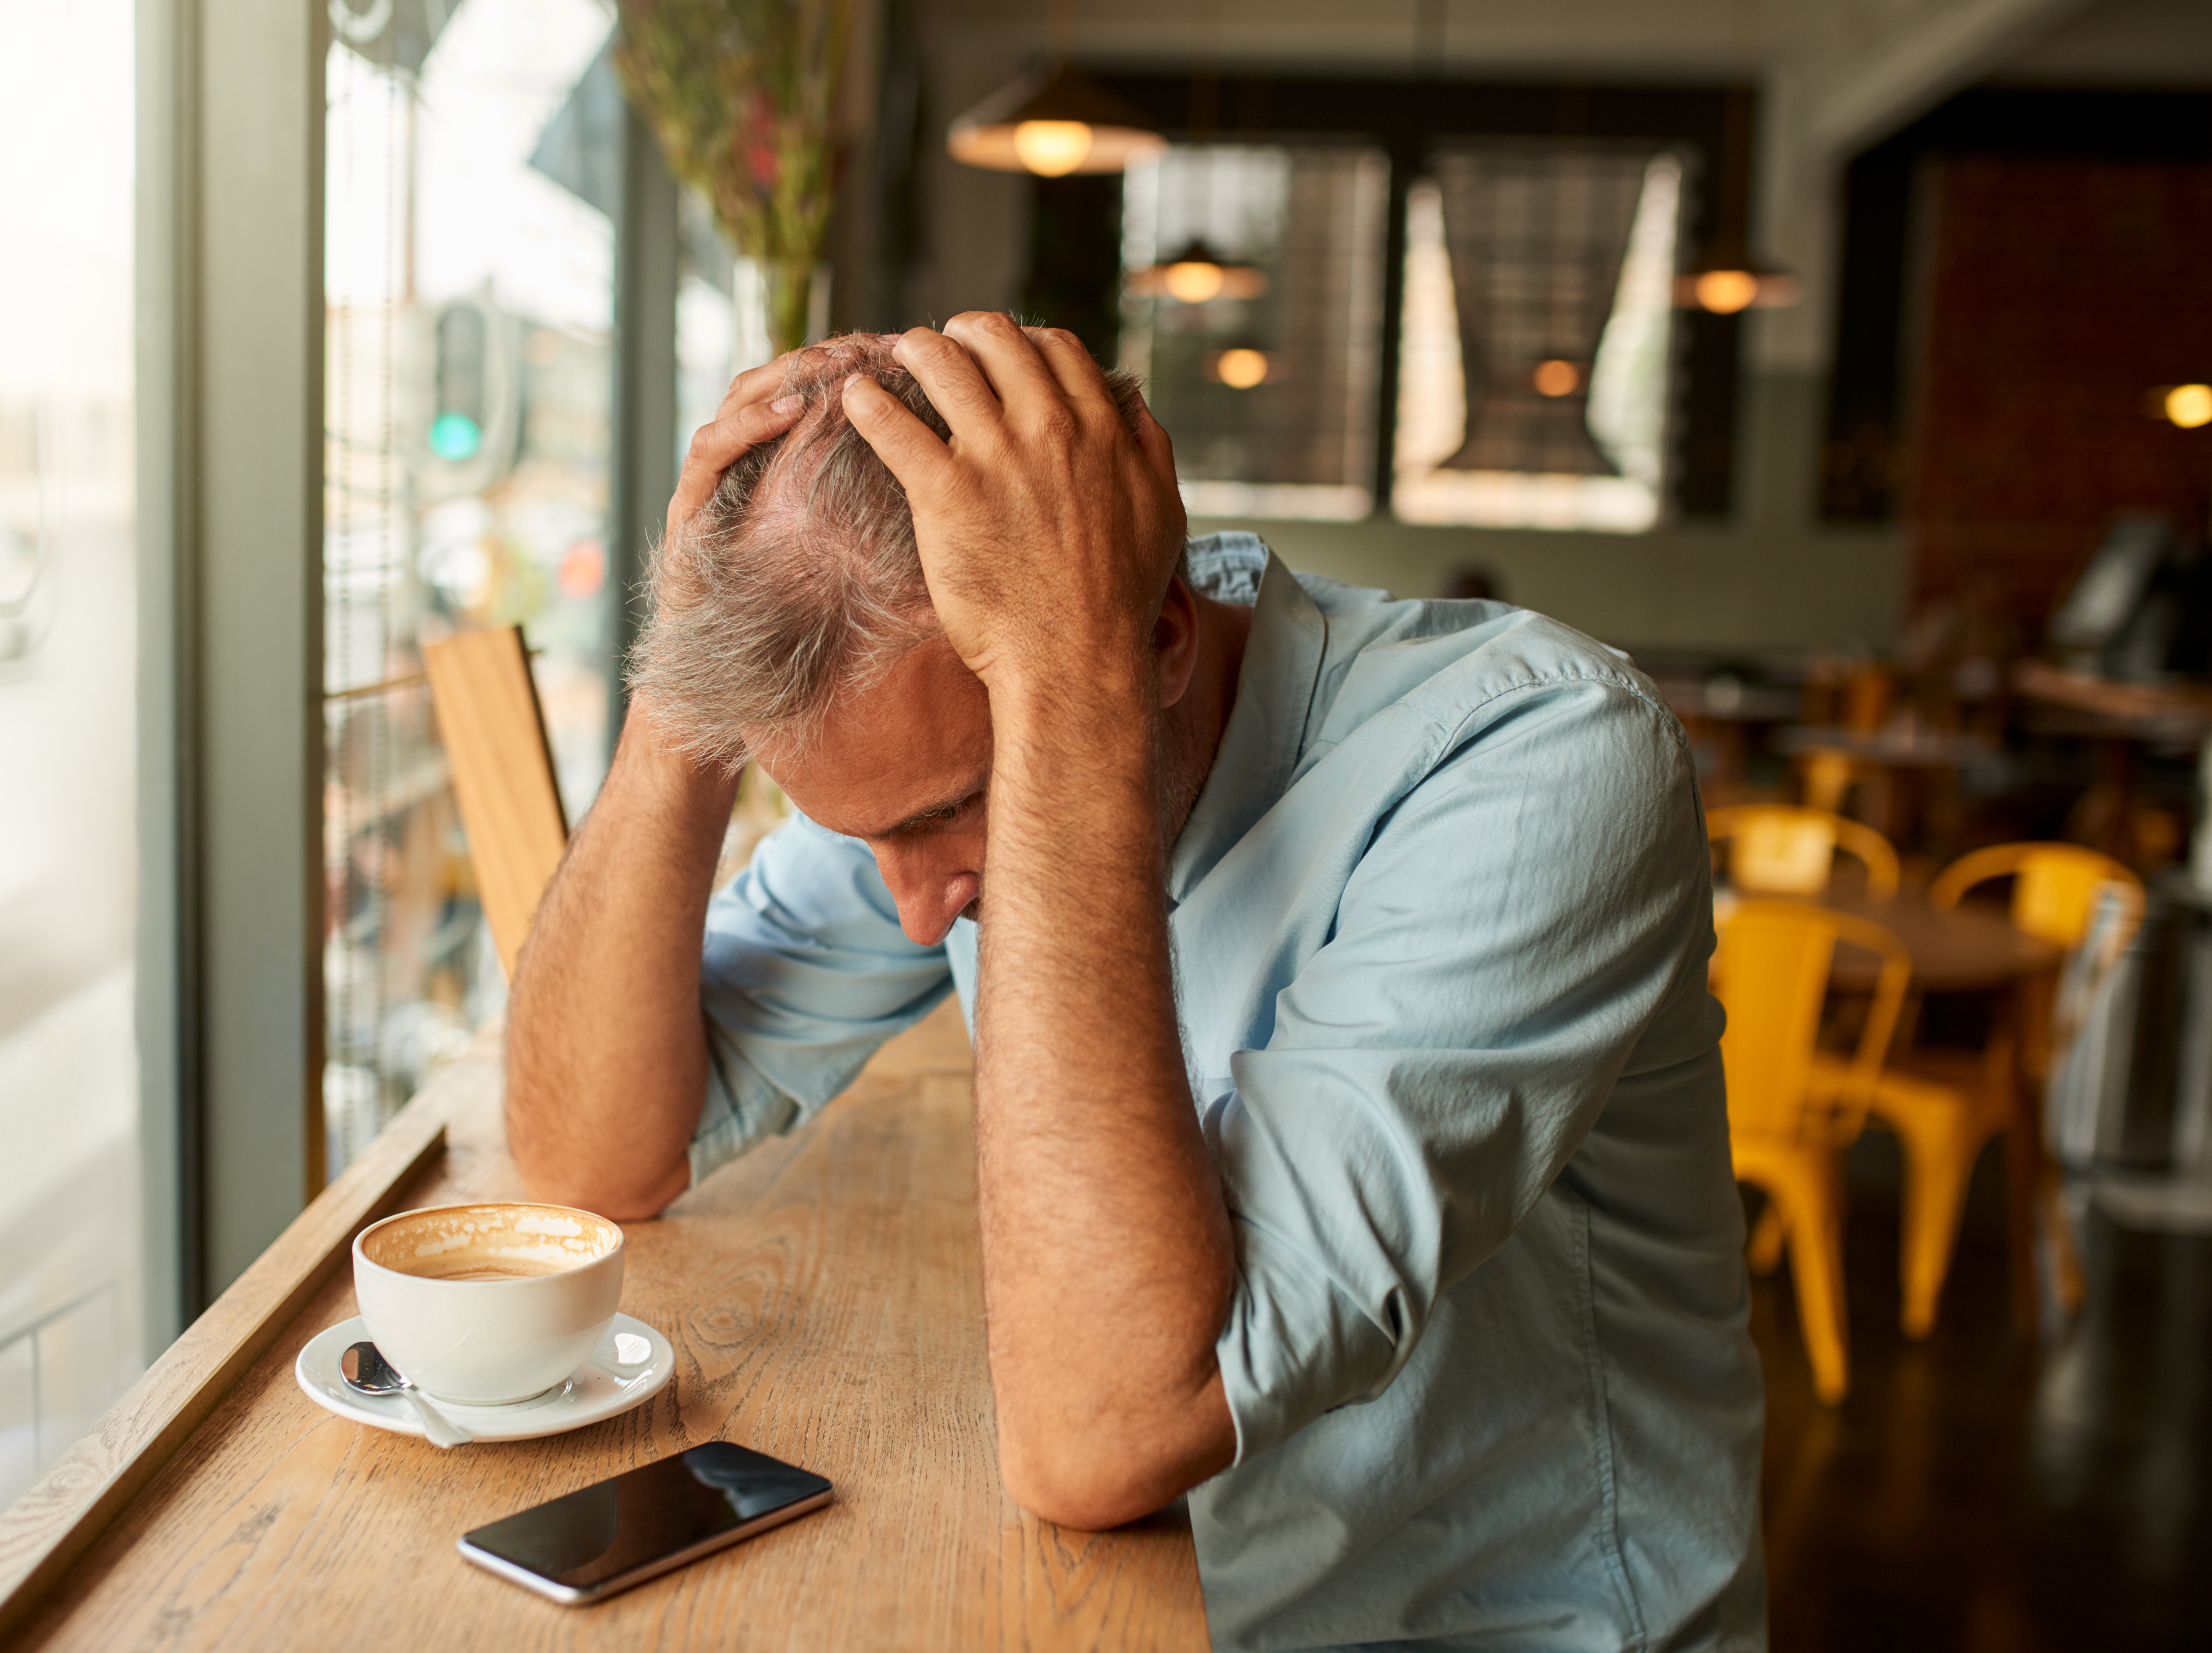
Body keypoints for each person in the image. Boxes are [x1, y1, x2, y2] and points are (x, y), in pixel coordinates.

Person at [506, 318, 1764, 1652]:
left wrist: (1065, 694)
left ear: (1157, 643)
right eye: (863, 834)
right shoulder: (935, 750)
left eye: (951, 813)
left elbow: (1100, 1435)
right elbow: (595, 1153)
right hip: (1149, 1611)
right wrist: (687, 675)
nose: (915, 905)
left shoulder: (1544, 758)